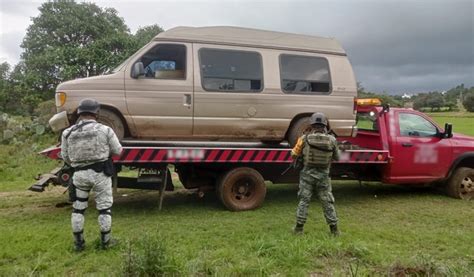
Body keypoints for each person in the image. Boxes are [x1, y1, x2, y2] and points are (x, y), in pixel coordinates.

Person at [60, 98, 122, 251]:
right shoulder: (105, 130)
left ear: (80, 113)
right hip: (101, 174)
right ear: (97, 113)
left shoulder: (67, 133)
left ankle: (79, 244)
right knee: (104, 209)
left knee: (78, 209)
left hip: (79, 175)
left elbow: (65, 156)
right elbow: (118, 151)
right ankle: (106, 243)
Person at [291, 112, 340, 236]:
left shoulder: (304, 138)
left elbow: (294, 154)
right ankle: (334, 230)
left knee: (304, 201)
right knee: (327, 202)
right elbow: (337, 158)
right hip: (323, 176)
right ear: (324, 125)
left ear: (312, 124)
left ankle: (298, 229)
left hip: (307, 175)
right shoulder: (332, 140)